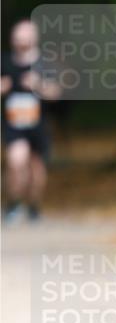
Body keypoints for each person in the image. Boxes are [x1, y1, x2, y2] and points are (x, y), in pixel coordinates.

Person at [1, 19, 60, 221]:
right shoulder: (4, 62)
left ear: (34, 38)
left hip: (39, 124)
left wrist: (38, 85)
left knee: (37, 171)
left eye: (24, 36)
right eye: (16, 37)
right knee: (16, 161)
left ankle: (34, 206)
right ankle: (13, 204)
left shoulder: (45, 63)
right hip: (13, 124)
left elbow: (56, 93)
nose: (19, 41)